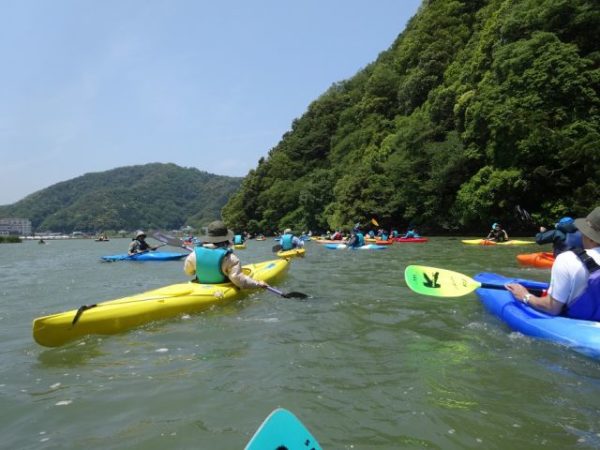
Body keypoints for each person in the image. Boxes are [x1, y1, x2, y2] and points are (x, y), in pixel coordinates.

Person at [506, 206, 600, 320]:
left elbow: (552, 308)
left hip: (580, 325)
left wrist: (525, 296)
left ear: (592, 237)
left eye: (584, 231)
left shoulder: (566, 259)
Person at [183, 220, 269, 289]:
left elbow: (189, 272)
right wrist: (258, 284)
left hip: (200, 287)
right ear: (226, 238)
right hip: (221, 289)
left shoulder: (193, 255)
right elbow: (238, 280)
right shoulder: (231, 258)